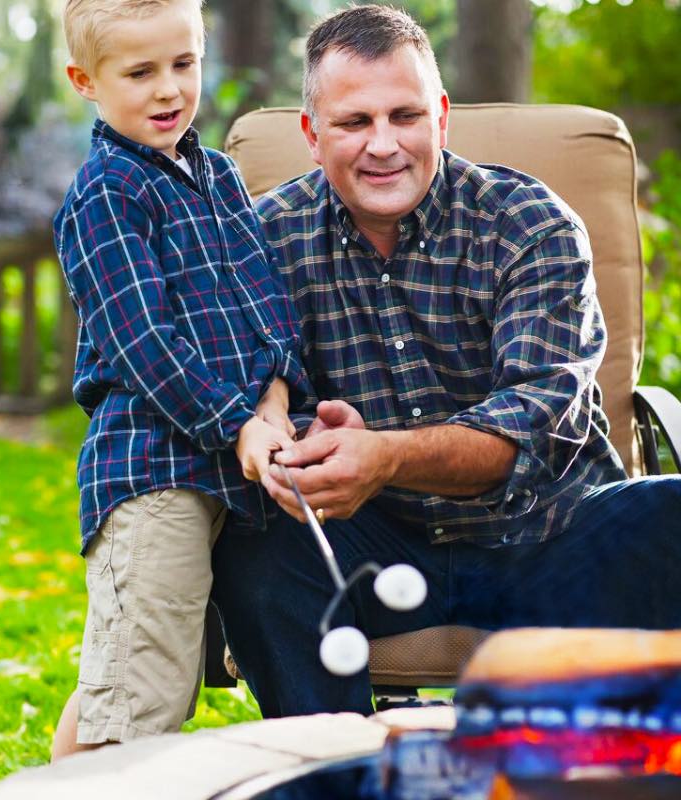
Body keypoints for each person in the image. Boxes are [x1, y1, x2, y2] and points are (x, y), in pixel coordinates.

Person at [211, 4, 681, 719]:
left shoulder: (530, 223)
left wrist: (385, 454)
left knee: (669, 512)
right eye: (354, 122)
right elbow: (250, 382)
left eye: (405, 115)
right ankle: (332, 763)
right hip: (376, 546)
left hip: (549, 537)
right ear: (313, 135)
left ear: (441, 117)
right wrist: (302, 442)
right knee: (256, 544)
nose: (383, 145)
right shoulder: (264, 237)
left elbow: (531, 423)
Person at [51, 0, 310, 759]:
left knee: (130, 668)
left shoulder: (219, 177)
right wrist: (240, 423)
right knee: (138, 698)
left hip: (235, 467)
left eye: (183, 64)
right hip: (155, 474)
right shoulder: (106, 194)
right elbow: (144, 345)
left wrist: (276, 400)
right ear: (85, 81)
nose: (168, 90)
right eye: (140, 73)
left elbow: (271, 304)